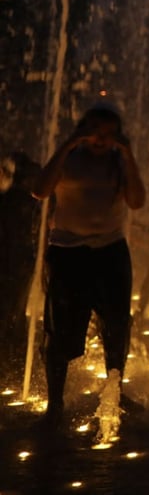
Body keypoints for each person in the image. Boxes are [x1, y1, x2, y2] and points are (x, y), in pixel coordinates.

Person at [31, 104, 147, 429]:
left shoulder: (119, 164)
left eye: (109, 133)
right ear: (83, 131)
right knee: (61, 327)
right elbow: (39, 190)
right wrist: (68, 144)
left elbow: (137, 201)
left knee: (117, 325)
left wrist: (129, 154)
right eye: (95, 130)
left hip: (110, 252)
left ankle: (115, 392)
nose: (100, 138)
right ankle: (55, 402)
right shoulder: (70, 159)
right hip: (68, 252)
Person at [0, 151, 41, 378]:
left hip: (15, 264)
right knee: (13, 312)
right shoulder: (22, 200)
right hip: (18, 264)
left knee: (11, 312)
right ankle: (14, 362)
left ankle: (12, 361)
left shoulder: (12, 199)